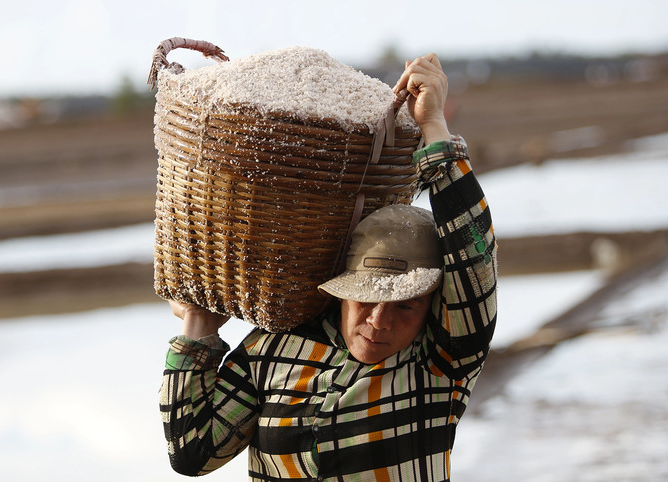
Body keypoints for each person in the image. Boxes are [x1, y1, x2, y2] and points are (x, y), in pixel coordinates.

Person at [160, 53, 497, 481]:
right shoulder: (272, 351)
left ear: (432, 305)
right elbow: (191, 453)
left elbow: (473, 255)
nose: (379, 321)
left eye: (405, 307)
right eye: (366, 298)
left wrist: (433, 126)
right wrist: (199, 325)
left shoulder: (438, 364)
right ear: (342, 287)